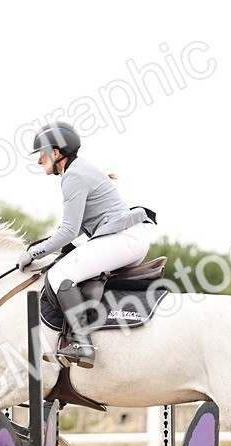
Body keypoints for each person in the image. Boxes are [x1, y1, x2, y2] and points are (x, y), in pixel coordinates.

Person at [16, 122, 155, 368]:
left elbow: (68, 230)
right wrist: (57, 247)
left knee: (60, 275)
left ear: (56, 153)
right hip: (125, 236)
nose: (39, 161)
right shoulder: (79, 170)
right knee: (67, 265)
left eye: (42, 154)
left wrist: (33, 253)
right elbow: (78, 228)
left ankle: (82, 343)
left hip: (124, 238)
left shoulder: (73, 176)